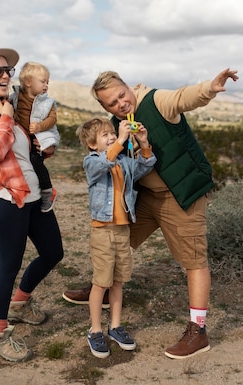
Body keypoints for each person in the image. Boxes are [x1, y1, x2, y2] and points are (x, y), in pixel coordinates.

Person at [62, 68, 239, 359]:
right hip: (145, 198)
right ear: (105, 108)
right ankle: (101, 287)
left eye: (121, 94)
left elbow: (183, 98)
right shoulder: (118, 124)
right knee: (116, 239)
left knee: (193, 259)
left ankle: (198, 331)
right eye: (111, 103)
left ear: (128, 87)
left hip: (180, 195)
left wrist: (210, 86)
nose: (120, 103)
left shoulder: (156, 102)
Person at [0, 45, 64, 362]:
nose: (6, 76)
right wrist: (5, 120)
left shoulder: (10, 107)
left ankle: (20, 303)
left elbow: (22, 152)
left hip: (32, 197)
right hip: (7, 199)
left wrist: (41, 148)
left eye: (8, 71)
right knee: (9, 267)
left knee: (53, 252)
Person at [77, 117, 156, 358]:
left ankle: (115, 326)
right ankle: (96, 329)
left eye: (112, 133)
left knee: (119, 280)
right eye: (105, 135)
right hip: (102, 230)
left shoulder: (123, 160)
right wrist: (121, 140)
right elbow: (103, 163)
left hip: (122, 230)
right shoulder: (91, 161)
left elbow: (144, 167)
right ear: (92, 144)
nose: (111, 136)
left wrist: (143, 144)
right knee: (101, 282)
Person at [10, 61, 60, 212]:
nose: (46, 85)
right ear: (28, 82)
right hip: (21, 136)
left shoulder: (47, 102)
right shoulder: (15, 97)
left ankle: (47, 190)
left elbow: (53, 119)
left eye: (47, 82)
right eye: (43, 81)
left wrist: (40, 126)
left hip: (38, 137)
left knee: (35, 160)